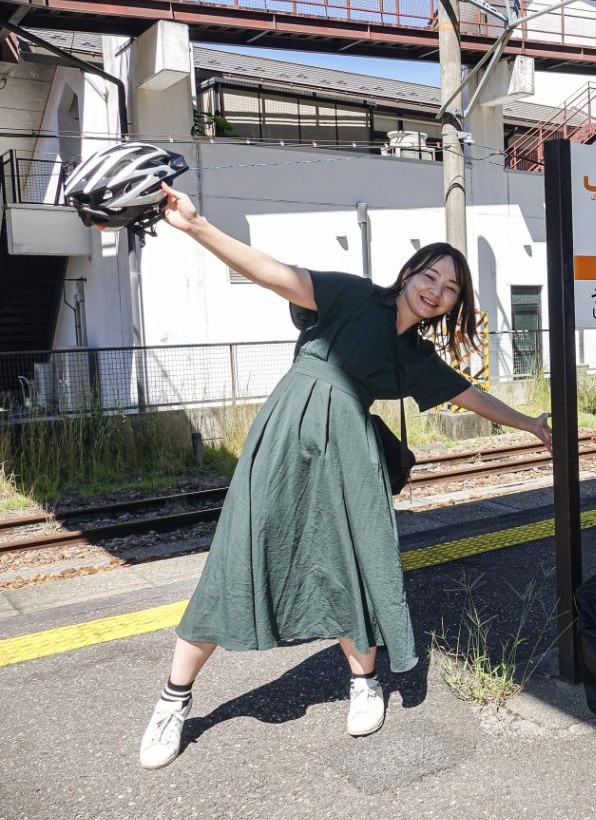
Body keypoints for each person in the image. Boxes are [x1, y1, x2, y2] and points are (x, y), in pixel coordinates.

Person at [138, 183, 553, 769]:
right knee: (239, 554)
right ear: (408, 273)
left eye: (449, 288)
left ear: (454, 302)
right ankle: (172, 702)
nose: (435, 291)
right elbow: (273, 273)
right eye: (429, 277)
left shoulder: (417, 358)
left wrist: (532, 423)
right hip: (285, 434)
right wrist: (198, 225)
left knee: (348, 563)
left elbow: (475, 398)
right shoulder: (352, 296)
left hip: (347, 453)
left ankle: (364, 683)